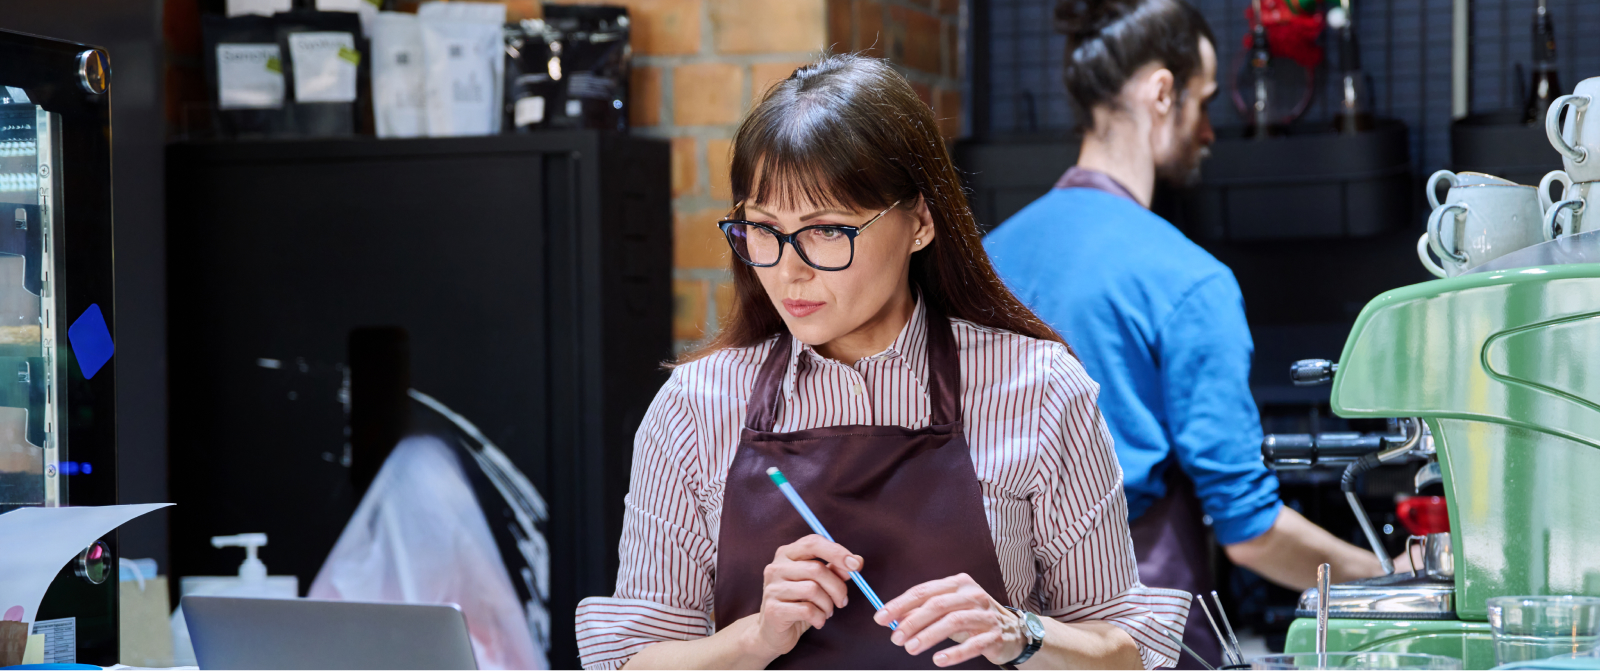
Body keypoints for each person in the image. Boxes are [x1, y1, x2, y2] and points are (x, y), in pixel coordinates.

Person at [575, 54, 1191, 670]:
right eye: (762, 229)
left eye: (826, 231)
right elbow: (632, 662)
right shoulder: (697, 406)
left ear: (920, 221)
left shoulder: (1038, 388)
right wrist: (755, 637)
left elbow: (1128, 655)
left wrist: (1020, 633)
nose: (789, 270)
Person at [983, 0, 1393, 667]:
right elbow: (1251, 531)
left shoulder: (986, 258)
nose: (1207, 132)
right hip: (1131, 627)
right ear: (1161, 92)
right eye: (1202, 102)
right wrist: (1389, 576)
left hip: (1002, 629)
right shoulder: (1188, 280)